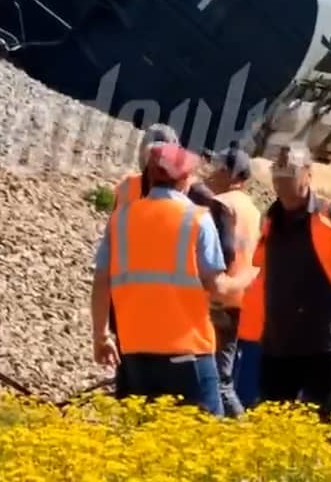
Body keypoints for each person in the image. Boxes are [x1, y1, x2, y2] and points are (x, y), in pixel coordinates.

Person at [91, 143, 258, 415]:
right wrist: (248, 275)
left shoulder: (120, 219)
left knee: (143, 435)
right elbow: (216, 287)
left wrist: (101, 335)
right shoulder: (197, 219)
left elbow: (101, 281)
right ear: (185, 179)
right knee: (203, 436)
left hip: (134, 348)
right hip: (187, 350)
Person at [254, 144, 331, 440]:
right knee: (271, 424)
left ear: (308, 174)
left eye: (290, 173)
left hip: (322, 340)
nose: (282, 181)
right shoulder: (270, 220)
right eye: (277, 174)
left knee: (327, 424)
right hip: (278, 340)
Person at [203, 147, 263, 417]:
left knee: (213, 376)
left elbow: (222, 251)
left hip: (217, 299)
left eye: (216, 167)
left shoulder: (221, 203)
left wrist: (215, 280)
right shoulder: (251, 208)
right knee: (222, 373)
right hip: (240, 298)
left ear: (229, 173)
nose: (210, 173)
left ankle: (236, 430)